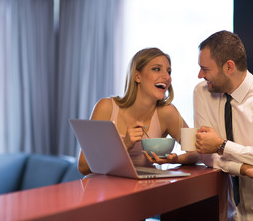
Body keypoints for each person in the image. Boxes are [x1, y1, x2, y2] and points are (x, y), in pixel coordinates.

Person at [193, 30, 253, 221]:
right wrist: (246, 169)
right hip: (225, 210)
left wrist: (222, 146)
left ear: (229, 67)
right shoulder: (202, 93)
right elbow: (205, 154)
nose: (200, 75)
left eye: (205, 69)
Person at [78, 47, 198, 176]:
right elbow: (83, 166)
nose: (166, 77)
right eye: (156, 69)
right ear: (137, 76)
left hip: (139, 192)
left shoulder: (168, 113)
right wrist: (124, 145)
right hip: (102, 190)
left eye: (169, 71)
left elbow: (197, 153)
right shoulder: (106, 107)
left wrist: (175, 159)